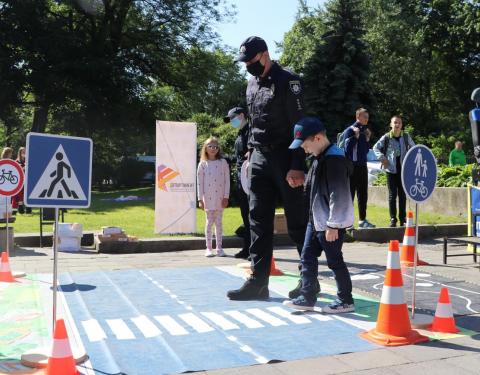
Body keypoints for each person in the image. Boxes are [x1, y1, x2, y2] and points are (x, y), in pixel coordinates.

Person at [227, 36, 308, 301]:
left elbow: (300, 125)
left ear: (264, 54)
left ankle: (309, 280)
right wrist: (250, 151)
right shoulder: (251, 84)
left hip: (286, 156)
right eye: (245, 62)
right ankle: (258, 282)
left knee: (297, 221)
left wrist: (297, 165)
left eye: (251, 60)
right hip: (260, 158)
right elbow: (253, 122)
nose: (247, 65)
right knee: (257, 221)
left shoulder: (289, 80)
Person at [283, 117, 355, 313]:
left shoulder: (334, 159)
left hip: (329, 224)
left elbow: (338, 194)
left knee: (334, 261)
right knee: (307, 257)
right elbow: (321, 186)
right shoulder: (319, 158)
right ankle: (307, 296)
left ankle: (346, 300)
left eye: (304, 145)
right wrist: (305, 181)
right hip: (315, 220)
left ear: (317, 138)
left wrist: (334, 224)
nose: (303, 149)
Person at [373, 116, 415, 227]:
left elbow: (414, 148)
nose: (397, 125)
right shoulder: (386, 137)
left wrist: (411, 161)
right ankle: (393, 219)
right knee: (392, 195)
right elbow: (375, 148)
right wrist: (382, 158)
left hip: (403, 170)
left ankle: (403, 219)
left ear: (402, 125)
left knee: (402, 195)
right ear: (391, 124)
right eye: (395, 122)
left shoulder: (406, 137)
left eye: (399, 123)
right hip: (391, 170)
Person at [224, 107, 251, 259]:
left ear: (242, 115)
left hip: (250, 179)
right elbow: (239, 157)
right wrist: (225, 158)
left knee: (252, 216)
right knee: (245, 216)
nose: (231, 122)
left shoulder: (252, 132)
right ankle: (247, 249)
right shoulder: (241, 133)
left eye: (233, 118)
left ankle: (254, 250)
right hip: (242, 179)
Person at [342, 108, 375, 229]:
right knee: (350, 194)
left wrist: (367, 139)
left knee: (363, 194)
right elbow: (347, 150)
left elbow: (365, 151)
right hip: (352, 167)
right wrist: (355, 137)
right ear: (358, 117)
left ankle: (362, 221)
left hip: (362, 166)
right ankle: (347, 223)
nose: (367, 119)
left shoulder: (365, 131)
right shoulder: (350, 130)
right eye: (364, 116)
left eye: (367, 117)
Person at [197, 137, 230, 257]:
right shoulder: (202, 164)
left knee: (219, 223)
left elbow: (227, 181)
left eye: (215, 147)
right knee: (209, 223)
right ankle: (209, 248)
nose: (213, 149)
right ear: (205, 148)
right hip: (208, 199)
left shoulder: (223, 163)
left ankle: (219, 248)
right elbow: (199, 183)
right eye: (210, 146)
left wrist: (226, 197)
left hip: (220, 199)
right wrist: (200, 199)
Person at [13, 147, 31, 214]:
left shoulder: (28, 160)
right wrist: (23, 168)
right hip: (21, 180)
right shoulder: (17, 161)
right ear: (20, 153)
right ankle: (20, 209)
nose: (24, 153)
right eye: (23, 152)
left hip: (28, 180)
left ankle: (28, 208)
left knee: (27, 194)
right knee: (20, 195)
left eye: (25, 151)